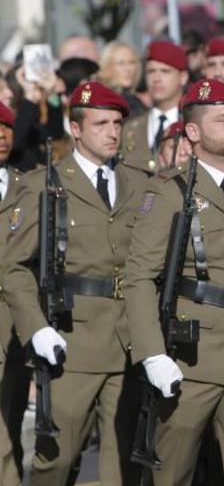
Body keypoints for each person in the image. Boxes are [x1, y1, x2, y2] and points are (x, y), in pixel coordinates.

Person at [123, 78, 224, 485]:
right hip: (192, 356)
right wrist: (152, 353)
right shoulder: (170, 191)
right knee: (172, 473)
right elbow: (140, 276)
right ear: (192, 132)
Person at [2, 81, 149, 485]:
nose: (112, 132)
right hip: (72, 338)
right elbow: (12, 266)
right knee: (58, 459)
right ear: (77, 129)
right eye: (101, 123)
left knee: (125, 460)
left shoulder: (140, 184)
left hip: (128, 337)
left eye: (117, 123)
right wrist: (36, 329)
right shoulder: (43, 185)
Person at [0, 102, 27, 486]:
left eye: (6, 128)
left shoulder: (27, 185)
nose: (1, 136)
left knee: (14, 412)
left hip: (19, 315)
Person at [121, 41, 189, 174]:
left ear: (183, 77)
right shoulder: (130, 128)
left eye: (165, 71)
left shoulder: (191, 124)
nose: (156, 79)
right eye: (151, 71)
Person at [97, 41, 146, 116]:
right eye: (121, 63)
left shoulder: (133, 100)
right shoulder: (104, 102)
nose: (128, 69)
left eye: (132, 62)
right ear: (107, 66)